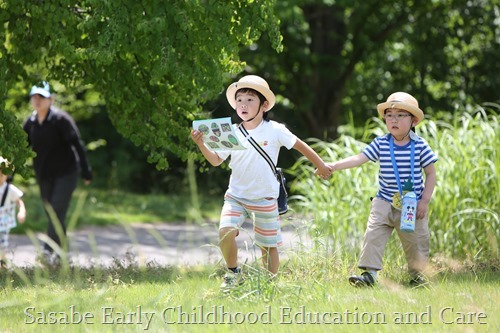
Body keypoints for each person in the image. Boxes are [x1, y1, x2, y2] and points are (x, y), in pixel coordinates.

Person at [191, 75, 332, 289]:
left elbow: (300, 145)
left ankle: (270, 285)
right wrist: (201, 144)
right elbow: (216, 160)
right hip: (236, 195)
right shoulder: (231, 133)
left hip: (265, 197)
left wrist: (321, 165)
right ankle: (233, 274)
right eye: (239, 100)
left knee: (268, 245)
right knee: (225, 231)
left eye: (250, 100)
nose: (243, 104)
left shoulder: (275, 130)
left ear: (263, 105)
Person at [320, 92, 437, 287]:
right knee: (373, 235)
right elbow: (359, 159)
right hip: (383, 201)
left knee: (416, 240)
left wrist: (424, 201)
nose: (394, 120)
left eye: (401, 115)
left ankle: (418, 277)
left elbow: (431, 174)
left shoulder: (420, 146)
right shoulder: (381, 143)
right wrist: (333, 165)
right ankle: (369, 275)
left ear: (413, 121)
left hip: (411, 203)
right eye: (389, 115)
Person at [23, 81, 92, 265]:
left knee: (56, 210)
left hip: (66, 173)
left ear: (51, 99)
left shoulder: (61, 120)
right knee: (53, 214)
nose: (37, 101)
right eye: (34, 97)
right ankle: (63, 255)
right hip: (44, 174)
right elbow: (22, 150)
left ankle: (46, 253)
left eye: (42, 97)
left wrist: (86, 171)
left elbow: (77, 144)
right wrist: (8, 174)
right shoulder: (29, 123)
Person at [0, 158, 27, 269]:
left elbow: (19, 201)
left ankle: (2, 262)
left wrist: (22, 211)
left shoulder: (10, 189)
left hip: (4, 222)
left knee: (2, 243)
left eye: (2, 172)